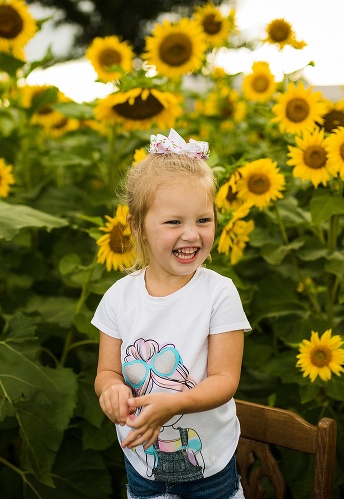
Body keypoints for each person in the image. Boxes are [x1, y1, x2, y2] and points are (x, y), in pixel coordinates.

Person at [93, 129, 251, 499]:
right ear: (138, 227)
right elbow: (106, 371)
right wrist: (112, 391)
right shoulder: (119, 298)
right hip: (142, 466)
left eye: (203, 220)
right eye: (174, 222)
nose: (191, 235)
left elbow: (225, 380)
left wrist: (174, 402)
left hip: (208, 468)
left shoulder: (218, 293)